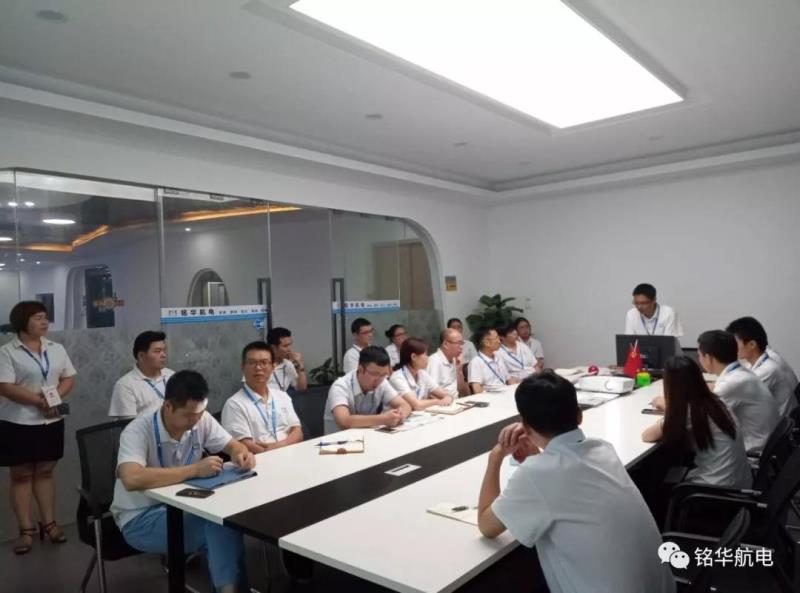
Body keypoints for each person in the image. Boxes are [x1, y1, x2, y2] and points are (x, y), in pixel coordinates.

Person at [477, 372, 675, 593]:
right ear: (579, 415)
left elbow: (487, 526)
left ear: (525, 426)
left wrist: (495, 456)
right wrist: (537, 455)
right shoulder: (602, 448)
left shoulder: (536, 475)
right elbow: (558, 483)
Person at [111, 370, 255, 593]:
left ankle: (229, 589)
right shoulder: (138, 430)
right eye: (189, 416)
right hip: (141, 517)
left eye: (199, 413)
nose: (195, 420)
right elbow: (131, 478)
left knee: (224, 524)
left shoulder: (199, 417)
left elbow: (233, 445)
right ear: (168, 406)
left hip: (185, 506)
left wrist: (241, 453)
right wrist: (194, 470)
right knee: (220, 528)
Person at [0, 301, 77, 555]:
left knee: (45, 471)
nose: (45, 322)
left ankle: (50, 524)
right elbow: (5, 386)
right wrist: (39, 401)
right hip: (18, 421)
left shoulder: (56, 348)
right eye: (38, 318)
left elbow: (68, 377)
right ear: (22, 322)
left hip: (51, 420)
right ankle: (26, 530)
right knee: (21, 475)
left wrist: (55, 398)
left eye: (45, 317)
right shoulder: (7, 352)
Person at [642, 356, 751, 488]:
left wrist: (669, 411)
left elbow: (647, 436)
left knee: (651, 476)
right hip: (740, 482)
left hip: (716, 489)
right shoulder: (715, 400)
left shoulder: (688, 410)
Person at [696, 330, 779, 454]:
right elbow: (715, 387)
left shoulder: (733, 383)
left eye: (699, 355)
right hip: (763, 444)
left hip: (752, 454)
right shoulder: (740, 373)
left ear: (708, 358)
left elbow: (699, 416)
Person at [222, 341, 303, 453]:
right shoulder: (234, 404)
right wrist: (271, 453)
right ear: (242, 367)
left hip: (290, 454)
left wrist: (280, 446)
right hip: (259, 460)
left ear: (273, 367)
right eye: (252, 363)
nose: (258, 368)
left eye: (264, 362)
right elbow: (243, 444)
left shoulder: (282, 396)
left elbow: (297, 432)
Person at [324, 346, 411, 434]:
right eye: (375, 374)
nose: (379, 379)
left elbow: (405, 404)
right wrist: (383, 419)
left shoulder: (382, 381)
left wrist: (399, 415)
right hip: (338, 439)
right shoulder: (340, 386)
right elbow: (344, 421)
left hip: (366, 436)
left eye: (384, 374)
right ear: (361, 369)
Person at [726, 317, 798, 417]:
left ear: (752, 344)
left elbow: (736, 398)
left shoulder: (767, 370)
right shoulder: (751, 362)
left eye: (735, 343)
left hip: (778, 423)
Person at [108, 330, 175, 419]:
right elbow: (128, 425)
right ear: (141, 356)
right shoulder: (125, 385)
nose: (164, 355)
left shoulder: (171, 375)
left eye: (164, 350)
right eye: (157, 351)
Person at [389, 338, 453, 411]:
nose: (427, 358)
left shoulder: (422, 373)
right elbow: (417, 405)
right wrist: (436, 401)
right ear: (413, 357)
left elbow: (446, 394)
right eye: (425, 354)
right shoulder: (397, 378)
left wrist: (448, 397)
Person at [468, 328, 517, 394]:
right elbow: (477, 389)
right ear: (486, 343)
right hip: (490, 396)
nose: (499, 341)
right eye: (496, 338)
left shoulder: (498, 356)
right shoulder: (476, 362)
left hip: (506, 392)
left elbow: (509, 380)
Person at [427, 329, 470, 398]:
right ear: (445, 344)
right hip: (444, 403)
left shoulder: (455, 360)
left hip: (457, 400)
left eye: (462, 343)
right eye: (458, 343)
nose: (461, 347)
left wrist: (459, 370)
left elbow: (462, 391)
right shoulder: (434, 361)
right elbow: (431, 393)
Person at [266, 327, 307, 394]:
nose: (290, 349)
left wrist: (300, 365)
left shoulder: (288, 364)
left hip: (282, 399)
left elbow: (301, 388)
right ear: (273, 348)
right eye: (285, 346)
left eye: (290, 345)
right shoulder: (261, 365)